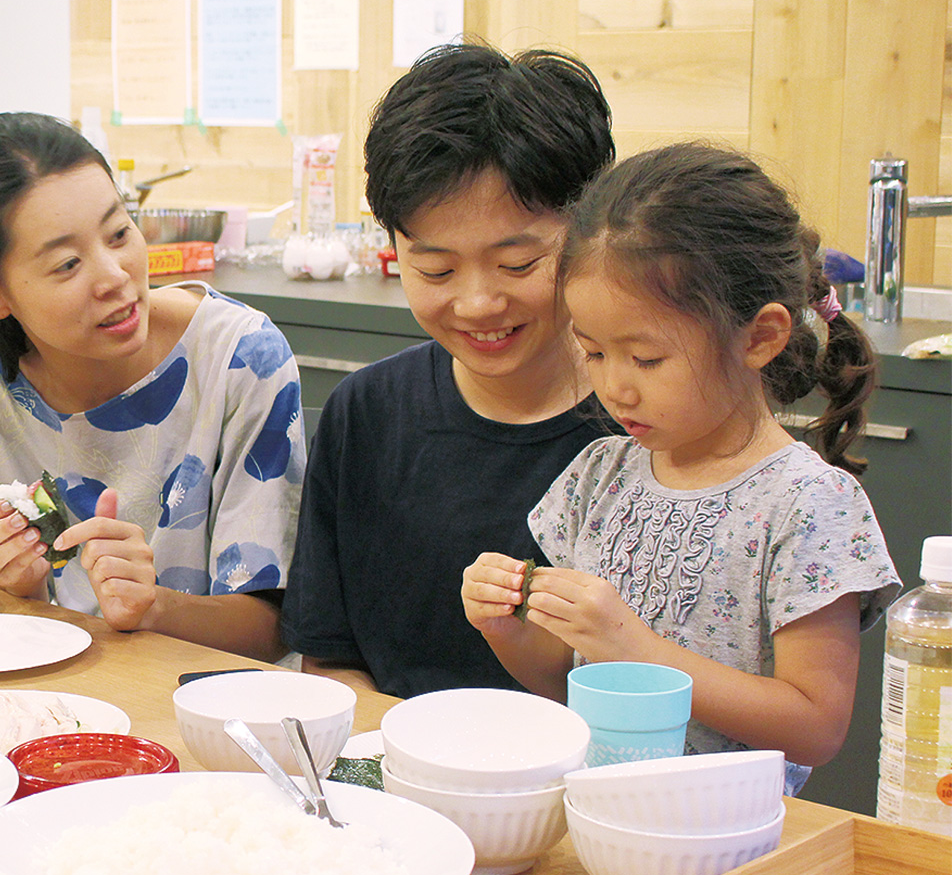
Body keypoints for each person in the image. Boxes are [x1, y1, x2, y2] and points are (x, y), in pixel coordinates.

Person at [462, 142, 901, 794]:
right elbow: (566, 681)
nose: (616, 387)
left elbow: (816, 726)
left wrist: (639, 652)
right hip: (601, 812)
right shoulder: (599, 475)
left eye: (646, 359)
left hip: (731, 837)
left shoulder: (807, 502)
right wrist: (505, 628)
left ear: (759, 337)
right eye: (594, 352)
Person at [280, 42, 617, 697]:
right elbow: (329, 662)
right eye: (435, 269)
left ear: (592, 225)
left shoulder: (650, 428)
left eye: (519, 264)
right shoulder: (366, 414)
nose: (478, 303)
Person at [0, 111, 304, 662]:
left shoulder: (241, 359)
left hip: (204, 707)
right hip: (55, 695)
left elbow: (273, 630)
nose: (116, 277)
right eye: (68, 263)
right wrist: (16, 583)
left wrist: (152, 607)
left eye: (120, 233)